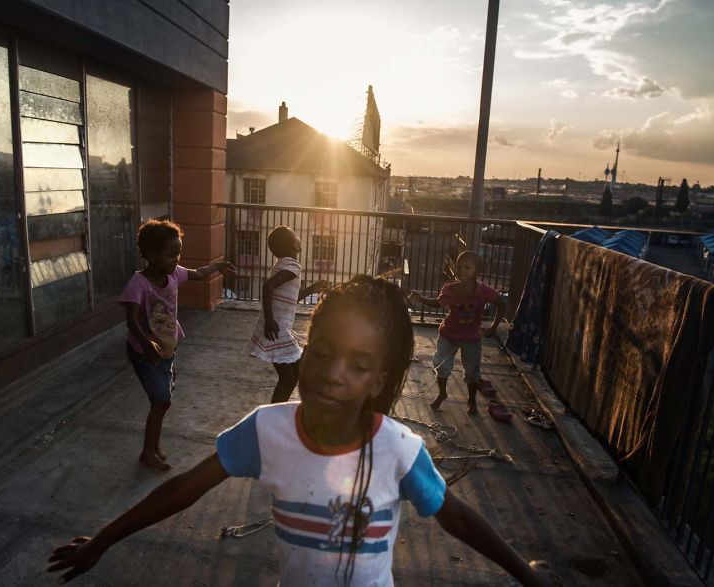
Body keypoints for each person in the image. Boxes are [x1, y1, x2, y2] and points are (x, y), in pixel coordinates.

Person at [48, 276, 556, 586]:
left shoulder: (398, 450)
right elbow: (184, 489)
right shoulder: (267, 430)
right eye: (324, 350)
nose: (334, 372)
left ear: (378, 380)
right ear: (305, 347)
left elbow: (458, 518)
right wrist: (104, 540)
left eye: (358, 365)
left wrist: (525, 573)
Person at [119, 219, 235, 471]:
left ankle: (153, 446)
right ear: (151, 255)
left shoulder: (174, 275)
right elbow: (131, 320)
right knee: (161, 400)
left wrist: (218, 266)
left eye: (178, 254)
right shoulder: (138, 284)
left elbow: (198, 274)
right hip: (144, 352)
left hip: (168, 348)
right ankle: (148, 452)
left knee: (163, 400)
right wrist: (146, 342)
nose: (176, 260)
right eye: (171, 255)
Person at [409, 250, 506, 415]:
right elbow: (438, 303)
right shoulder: (451, 289)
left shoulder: (483, 291)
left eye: (467, 267)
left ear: (476, 271)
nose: (461, 270)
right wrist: (421, 299)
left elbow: (501, 304)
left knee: (472, 372)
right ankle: (442, 393)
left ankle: (472, 400)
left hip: (472, 338)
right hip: (449, 335)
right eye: (459, 267)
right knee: (442, 366)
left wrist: (493, 327)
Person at [248, 225, 327, 403]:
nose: (299, 238)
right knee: (289, 377)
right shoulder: (293, 266)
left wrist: (311, 289)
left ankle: (278, 410)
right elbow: (267, 287)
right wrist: (270, 320)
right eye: (296, 236)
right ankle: (275, 413)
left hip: (277, 327)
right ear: (294, 245)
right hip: (276, 328)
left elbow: (291, 298)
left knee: (292, 375)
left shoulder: (283, 264)